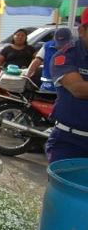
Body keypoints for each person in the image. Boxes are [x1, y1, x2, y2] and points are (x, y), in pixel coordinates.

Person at [46, 9, 88, 163]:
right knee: (63, 186)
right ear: (82, 30)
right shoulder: (65, 55)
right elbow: (79, 89)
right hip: (69, 142)